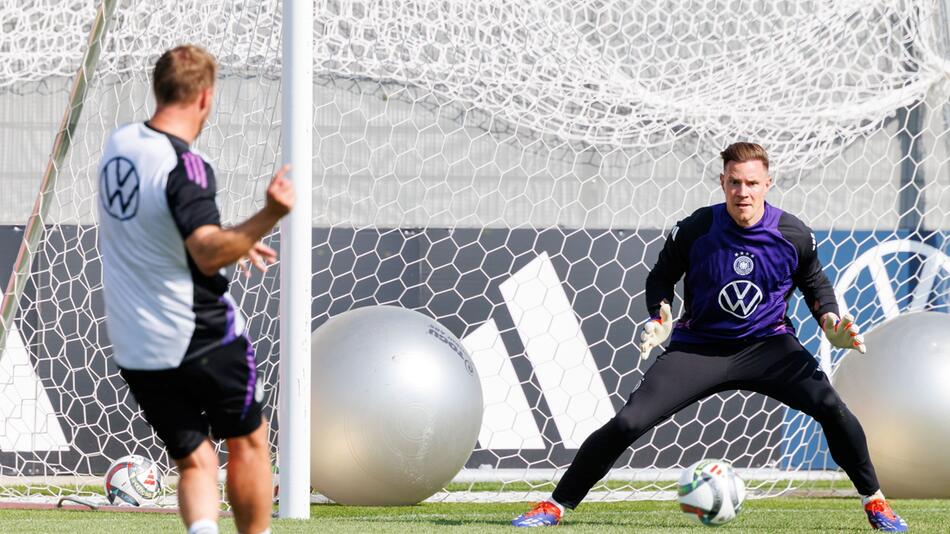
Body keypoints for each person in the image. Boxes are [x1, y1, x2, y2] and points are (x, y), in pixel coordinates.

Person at [512, 142, 907, 532]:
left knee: (832, 408)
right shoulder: (696, 228)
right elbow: (660, 278)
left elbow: (815, 283)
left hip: (768, 347)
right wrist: (661, 313)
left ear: (768, 183)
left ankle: (875, 502)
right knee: (628, 422)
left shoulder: (793, 234)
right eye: (735, 182)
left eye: (752, 183)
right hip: (699, 349)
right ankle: (556, 504)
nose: (743, 192)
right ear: (722, 182)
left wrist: (830, 321)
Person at [97, 45, 294, 534]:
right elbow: (206, 251)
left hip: (136, 342)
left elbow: (162, 223)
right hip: (200, 333)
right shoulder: (188, 166)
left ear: (157, 88)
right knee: (247, 442)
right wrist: (266, 217)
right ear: (205, 97)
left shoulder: (118, 144)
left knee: (195, 459)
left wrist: (234, 239)